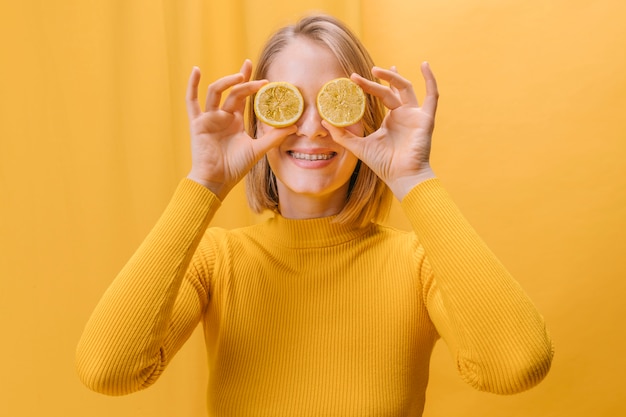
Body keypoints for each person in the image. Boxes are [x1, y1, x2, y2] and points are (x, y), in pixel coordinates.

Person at [76, 13, 553, 416]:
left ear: (368, 117)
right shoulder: (217, 261)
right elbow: (108, 370)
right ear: (258, 119)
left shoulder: (417, 264)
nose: (311, 128)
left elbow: (515, 366)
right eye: (287, 104)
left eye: (334, 103)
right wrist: (204, 183)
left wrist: (413, 177)